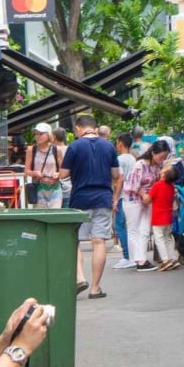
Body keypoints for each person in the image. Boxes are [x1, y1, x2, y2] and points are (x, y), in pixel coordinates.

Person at [62, 114, 121, 299]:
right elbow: (116, 174)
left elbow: (63, 174)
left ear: (78, 129)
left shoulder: (74, 146)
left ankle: (80, 278)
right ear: (94, 128)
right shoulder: (109, 146)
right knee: (99, 241)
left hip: (80, 199)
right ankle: (95, 288)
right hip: (103, 198)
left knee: (75, 241)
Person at [122, 143, 167, 272]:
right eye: (161, 156)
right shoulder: (139, 165)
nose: (162, 159)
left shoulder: (158, 166)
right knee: (134, 230)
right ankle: (139, 260)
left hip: (148, 200)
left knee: (145, 230)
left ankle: (141, 259)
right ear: (153, 153)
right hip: (134, 200)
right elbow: (133, 185)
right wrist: (144, 195)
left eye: (164, 157)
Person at [112, 133, 137, 270]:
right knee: (130, 228)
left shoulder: (119, 159)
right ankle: (132, 255)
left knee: (119, 226)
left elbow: (119, 179)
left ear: (121, 144)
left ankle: (127, 256)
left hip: (122, 195)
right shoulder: (133, 159)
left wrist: (115, 198)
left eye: (117, 143)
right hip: (132, 196)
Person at [24, 123, 63, 209]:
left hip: (55, 189)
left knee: (55, 215)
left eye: (41, 134)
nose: (38, 136)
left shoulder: (56, 149)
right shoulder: (31, 150)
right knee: (40, 215)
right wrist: (35, 173)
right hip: (39, 188)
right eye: (36, 134)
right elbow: (26, 171)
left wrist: (58, 174)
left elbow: (62, 170)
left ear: (48, 135)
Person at [149, 164, 181, 271]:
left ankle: (165, 260)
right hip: (168, 216)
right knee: (167, 238)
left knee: (159, 239)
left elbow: (149, 198)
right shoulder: (171, 186)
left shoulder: (157, 186)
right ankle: (173, 258)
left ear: (163, 175)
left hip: (158, 217)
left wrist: (142, 194)